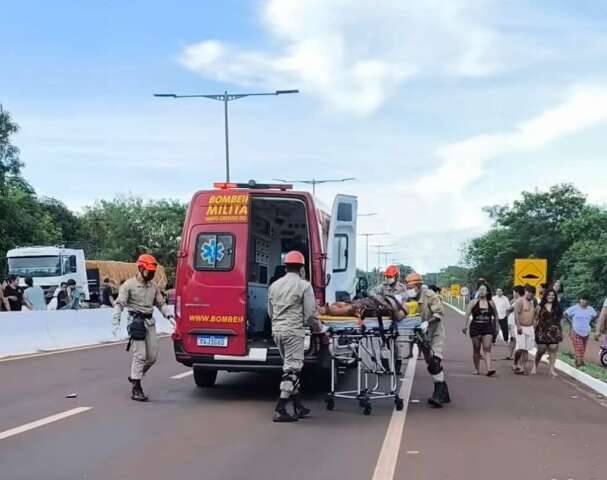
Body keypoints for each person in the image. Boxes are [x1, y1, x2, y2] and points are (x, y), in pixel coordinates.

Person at [268, 251, 326, 422]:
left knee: (289, 367)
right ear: (302, 268)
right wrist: (320, 329)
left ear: (285, 266)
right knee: (292, 370)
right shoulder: (304, 286)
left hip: (277, 331)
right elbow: (309, 314)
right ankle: (280, 409)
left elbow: (270, 312)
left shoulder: (274, 286)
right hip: (293, 332)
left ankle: (298, 406)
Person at [112, 254, 175, 402]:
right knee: (139, 355)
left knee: (152, 357)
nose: (151, 274)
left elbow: (161, 304)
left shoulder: (153, 287)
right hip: (135, 323)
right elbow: (119, 304)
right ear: (140, 268)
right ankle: (136, 388)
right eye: (148, 271)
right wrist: (115, 322)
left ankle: (136, 375)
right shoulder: (128, 285)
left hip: (149, 322)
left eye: (153, 271)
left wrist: (170, 317)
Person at [405, 272, 451, 408]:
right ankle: (444, 392)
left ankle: (438, 395)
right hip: (422, 336)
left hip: (435, 332)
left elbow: (439, 313)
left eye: (411, 287)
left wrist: (427, 323)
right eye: (408, 287)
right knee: (431, 363)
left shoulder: (430, 295)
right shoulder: (408, 298)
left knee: (435, 361)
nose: (409, 290)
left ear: (418, 286)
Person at [463, 284, 498, 376]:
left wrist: (497, 326)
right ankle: (476, 368)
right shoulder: (474, 302)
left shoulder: (491, 303)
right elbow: (467, 314)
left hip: (488, 327)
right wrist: (465, 326)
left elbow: (496, 315)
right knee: (476, 348)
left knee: (487, 347)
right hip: (476, 326)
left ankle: (489, 369)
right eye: (480, 289)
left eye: (483, 289)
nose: (481, 291)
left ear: (487, 292)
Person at [532, 288, 563, 377]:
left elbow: (560, 319)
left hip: (554, 330)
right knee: (541, 349)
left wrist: (560, 331)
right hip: (542, 330)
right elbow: (535, 319)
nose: (551, 296)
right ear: (546, 296)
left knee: (553, 348)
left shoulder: (557, 307)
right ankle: (535, 365)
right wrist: (533, 330)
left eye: (553, 295)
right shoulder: (539, 306)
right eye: (549, 295)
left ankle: (552, 369)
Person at [564, 294, 597, 368]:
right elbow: (565, 314)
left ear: (588, 301)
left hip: (586, 332)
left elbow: (596, 315)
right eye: (583, 299)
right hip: (575, 331)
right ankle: (579, 364)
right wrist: (571, 322)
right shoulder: (575, 308)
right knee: (580, 348)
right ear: (580, 300)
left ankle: (577, 362)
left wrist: (590, 321)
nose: (584, 301)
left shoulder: (590, 309)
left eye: (586, 300)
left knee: (583, 349)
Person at [513, 285, 537, 375]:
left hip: (530, 327)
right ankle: (515, 362)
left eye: (532, 293)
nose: (530, 294)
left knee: (526, 349)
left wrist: (534, 325)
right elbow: (516, 314)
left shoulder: (533, 302)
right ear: (525, 291)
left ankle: (522, 368)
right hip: (521, 327)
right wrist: (518, 326)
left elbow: (535, 315)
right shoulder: (519, 301)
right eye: (528, 292)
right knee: (520, 348)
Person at [506, 286, 524, 362]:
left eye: (513, 292)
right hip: (514, 322)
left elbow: (509, 309)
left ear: (517, 292)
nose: (513, 294)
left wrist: (508, 309)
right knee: (513, 339)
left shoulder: (518, 300)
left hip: (514, 323)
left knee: (515, 340)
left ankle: (515, 357)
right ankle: (511, 355)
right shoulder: (519, 300)